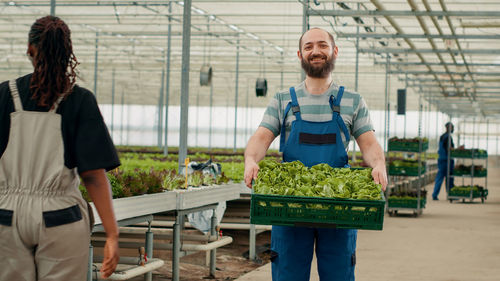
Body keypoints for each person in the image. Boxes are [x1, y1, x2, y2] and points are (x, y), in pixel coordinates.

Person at [244, 27, 387, 281]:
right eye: (308, 47)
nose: (315, 51)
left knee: (339, 275)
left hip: (338, 206)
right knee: (288, 274)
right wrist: (251, 159)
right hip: (289, 206)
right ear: (300, 54)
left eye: (322, 45)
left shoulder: (353, 101)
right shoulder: (282, 100)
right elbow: (261, 137)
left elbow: (369, 144)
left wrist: (379, 165)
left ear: (334, 52)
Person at [0, 16, 120, 280]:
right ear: (67, 53)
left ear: (30, 49)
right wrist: (112, 233)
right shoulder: (80, 100)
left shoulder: (4, 95)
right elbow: (93, 175)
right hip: (60, 218)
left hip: (5, 218)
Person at [432, 122, 456, 200]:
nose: (452, 129)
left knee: (439, 177)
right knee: (449, 178)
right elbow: (449, 149)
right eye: (451, 127)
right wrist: (457, 149)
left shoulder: (442, 136)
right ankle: (451, 195)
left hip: (441, 160)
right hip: (447, 160)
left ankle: (435, 195)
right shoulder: (448, 137)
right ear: (448, 128)